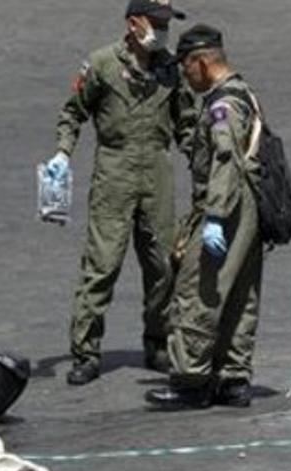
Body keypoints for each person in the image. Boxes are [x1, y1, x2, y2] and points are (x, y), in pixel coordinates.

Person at [46, 0, 192, 386]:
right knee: (102, 265)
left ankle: (158, 343)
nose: (162, 30)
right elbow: (72, 112)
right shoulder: (102, 64)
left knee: (163, 265)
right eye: (156, 21)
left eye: (166, 23)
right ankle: (86, 352)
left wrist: (205, 166)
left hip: (157, 170)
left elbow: (187, 125)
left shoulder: (171, 68)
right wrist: (63, 152)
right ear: (133, 23)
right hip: (114, 169)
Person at [146, 25, 264, 410]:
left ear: (201, 61)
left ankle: (191, 381)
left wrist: (213, 216)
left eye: (186, 68)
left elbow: (225, 162)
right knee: (240, 293)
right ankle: (233, 379)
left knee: (200, 289)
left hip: (225, 202)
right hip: (248, 206)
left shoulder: (222, 106)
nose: (185, 75)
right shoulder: (243, 94)